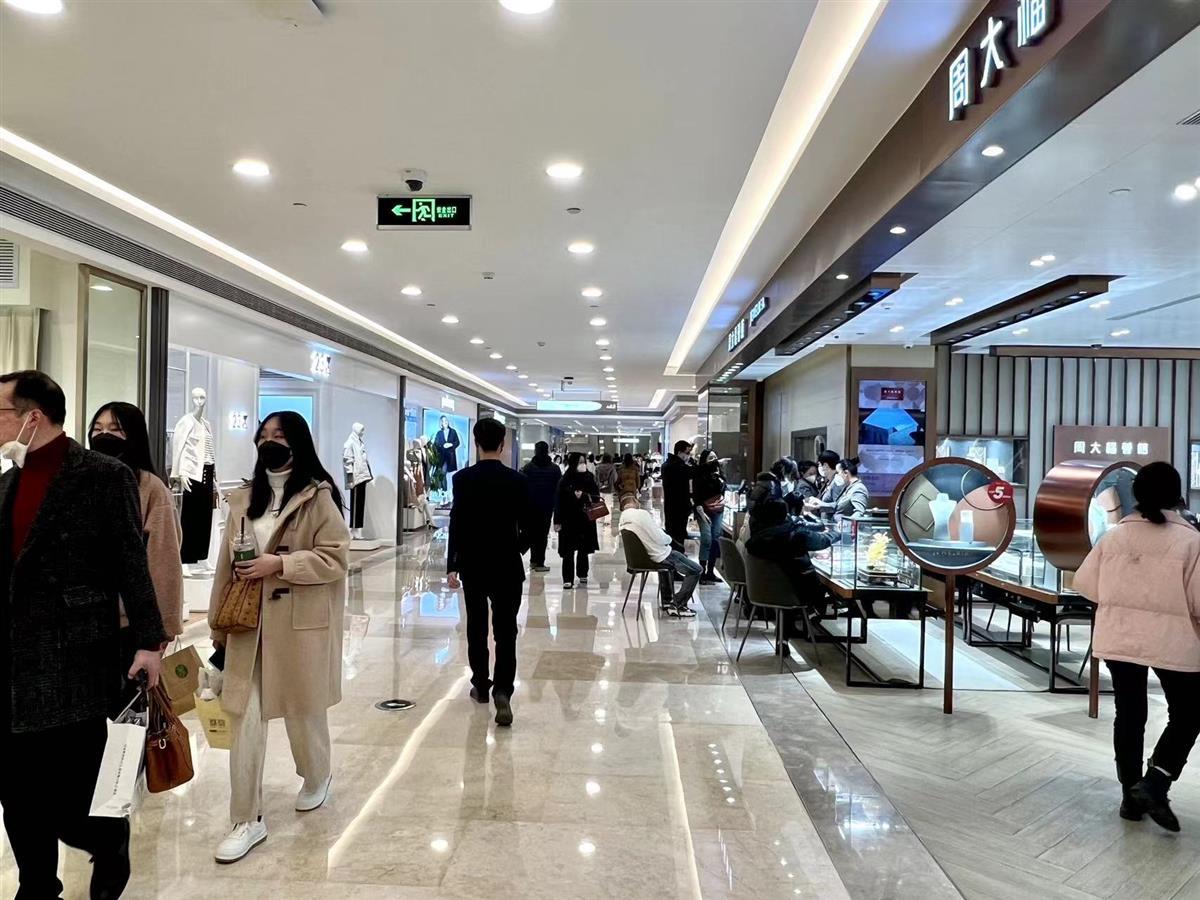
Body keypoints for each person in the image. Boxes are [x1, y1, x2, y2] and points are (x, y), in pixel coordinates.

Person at [0, 370, 165, 900]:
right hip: (13, 664)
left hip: (77, 656)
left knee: (78, 792)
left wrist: (150, 642)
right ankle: (35, 887)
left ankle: (109, 847)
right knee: (17, 789)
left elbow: (130, 562)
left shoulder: (102, 475)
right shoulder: (7, 481)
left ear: (32, 417)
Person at [209, 411, 350, 863]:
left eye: (280, 436)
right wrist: (217, 627)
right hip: (248, 626)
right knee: (245, 718)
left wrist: (282, 564)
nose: (269, 442)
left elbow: (335, 559)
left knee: (302, 713)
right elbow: (224, 567)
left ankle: (317, 774)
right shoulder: (242, 499)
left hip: (298, 624)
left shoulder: (318, 496)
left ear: (298, 443)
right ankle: (245, 818)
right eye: (264, 435)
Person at [1074, 462, 1200, 833]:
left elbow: (1086, 585)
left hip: (1120, 637)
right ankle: (1156, 781)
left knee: (1129, 715)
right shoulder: (1191, 541)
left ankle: (1131, 797)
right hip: (1174, 638)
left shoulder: (1114, 537)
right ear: (1177, 495)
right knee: (1189, 712)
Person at [89, 401, 184, 709]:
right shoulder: (79, 481)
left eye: (115, 429)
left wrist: (159, 632)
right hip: (81, 620)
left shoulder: (150, 488)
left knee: (127, 716)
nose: (104, 435)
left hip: (128, 623)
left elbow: (164, 563)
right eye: (98, 429)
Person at [447, 418, 533, 727]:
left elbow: (456, 523)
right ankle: (503, 691)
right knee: (506, 630)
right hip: (507, 565)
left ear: (475, 443)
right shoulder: (517, 480)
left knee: (476, 626)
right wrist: (517, 548)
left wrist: (453, 564)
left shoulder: (463, 479)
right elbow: (531, 524)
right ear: (503, 444)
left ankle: (481, 685)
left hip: (473, 564)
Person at [744, 496, 835, 642]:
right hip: (793, 593)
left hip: (760, 591)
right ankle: (811, 616)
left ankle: (784, 639)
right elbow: (822, 541)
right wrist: (839, 534)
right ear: (784, 514)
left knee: (786, 581)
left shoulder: (756, 538)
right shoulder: (794, 534)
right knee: (815, 588)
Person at [619, 496, 700, 617]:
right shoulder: (641, 514)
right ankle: (677, 605)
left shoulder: (623, 520)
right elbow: (660, 539)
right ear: (635, 503)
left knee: (667, 564)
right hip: (660, 555)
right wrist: (668, 538)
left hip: (645, 558)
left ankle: (667, 601)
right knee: (696, 570)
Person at [554, 451, 601, 588]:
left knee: (583, 549)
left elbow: (596, 497)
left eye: (583, 462)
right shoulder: (565, 479)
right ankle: (567, 578)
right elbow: (558, 501)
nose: (583, 465)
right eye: (580, 462)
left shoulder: (589, 478)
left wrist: (583, 495)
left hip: (585, 518)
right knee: (568, 551)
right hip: (568, 519)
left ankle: (582, 573)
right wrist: (557, 521)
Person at [521, 440, 560, 573]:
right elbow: (558, 489)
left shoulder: (528, 468)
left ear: (535, 451)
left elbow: (523, 487)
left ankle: (533, 560)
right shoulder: (554, 469)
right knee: (542, 534)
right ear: (547, 451)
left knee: (532, 532)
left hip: (530, 506)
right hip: (547, 506)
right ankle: (539, 562)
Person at [692, 448, 726, 584]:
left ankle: (711, 571)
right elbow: (696, 494)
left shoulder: (719, 473)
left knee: (715, 539)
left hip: (718, 510)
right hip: (703, 509)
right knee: (706, 539)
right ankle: (702, 571)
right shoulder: (700, 474)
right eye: (711, 458)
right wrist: (700, 511)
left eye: (715, 457)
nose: (714, 461)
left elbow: (722, 489)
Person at [661, 440, 694, 547]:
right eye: (687, 453)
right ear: (680, 452)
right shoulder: (677, 467)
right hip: (678, 508)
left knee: (674, 535)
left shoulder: (668, 465)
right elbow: (693, 472)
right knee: (677, 537)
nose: (688, 456)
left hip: (672, 508)